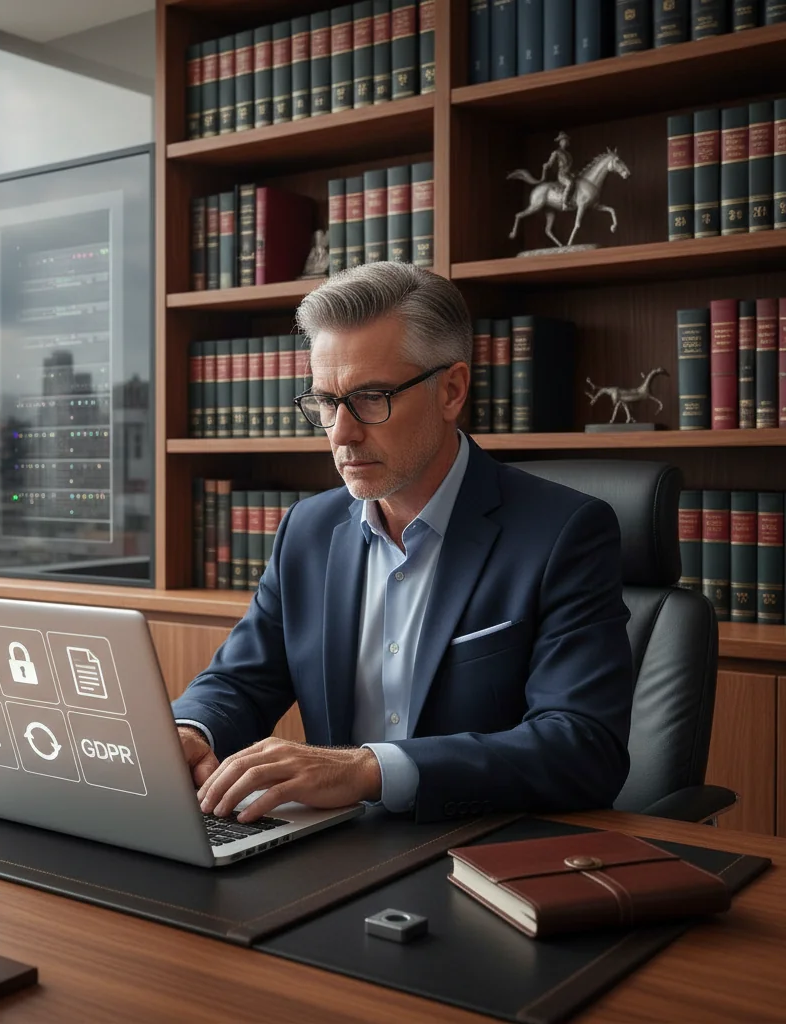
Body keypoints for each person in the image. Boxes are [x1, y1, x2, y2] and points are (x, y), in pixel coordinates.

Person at [172, 263, 633, 825]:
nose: (341, 433)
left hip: (479, 854)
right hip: (333, 853)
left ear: (452, 390)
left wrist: (370, 771)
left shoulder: (564, 532)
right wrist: (190, 730)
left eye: (370, 397)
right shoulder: (307, 531)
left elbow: (582, 747)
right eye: (325, 402)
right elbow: (240, 680)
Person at [542, 131, 576, 211]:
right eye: (563, 140)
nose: (565, 142)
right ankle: (564, 203)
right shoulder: (556, 152)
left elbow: (569, 166)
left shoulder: (568, 154)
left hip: (569, 174)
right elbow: (550, 163)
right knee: (569, 183)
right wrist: (546, 165)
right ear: (560, 142)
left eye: (566, 140)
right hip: (562, 174)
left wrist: (572, 173)